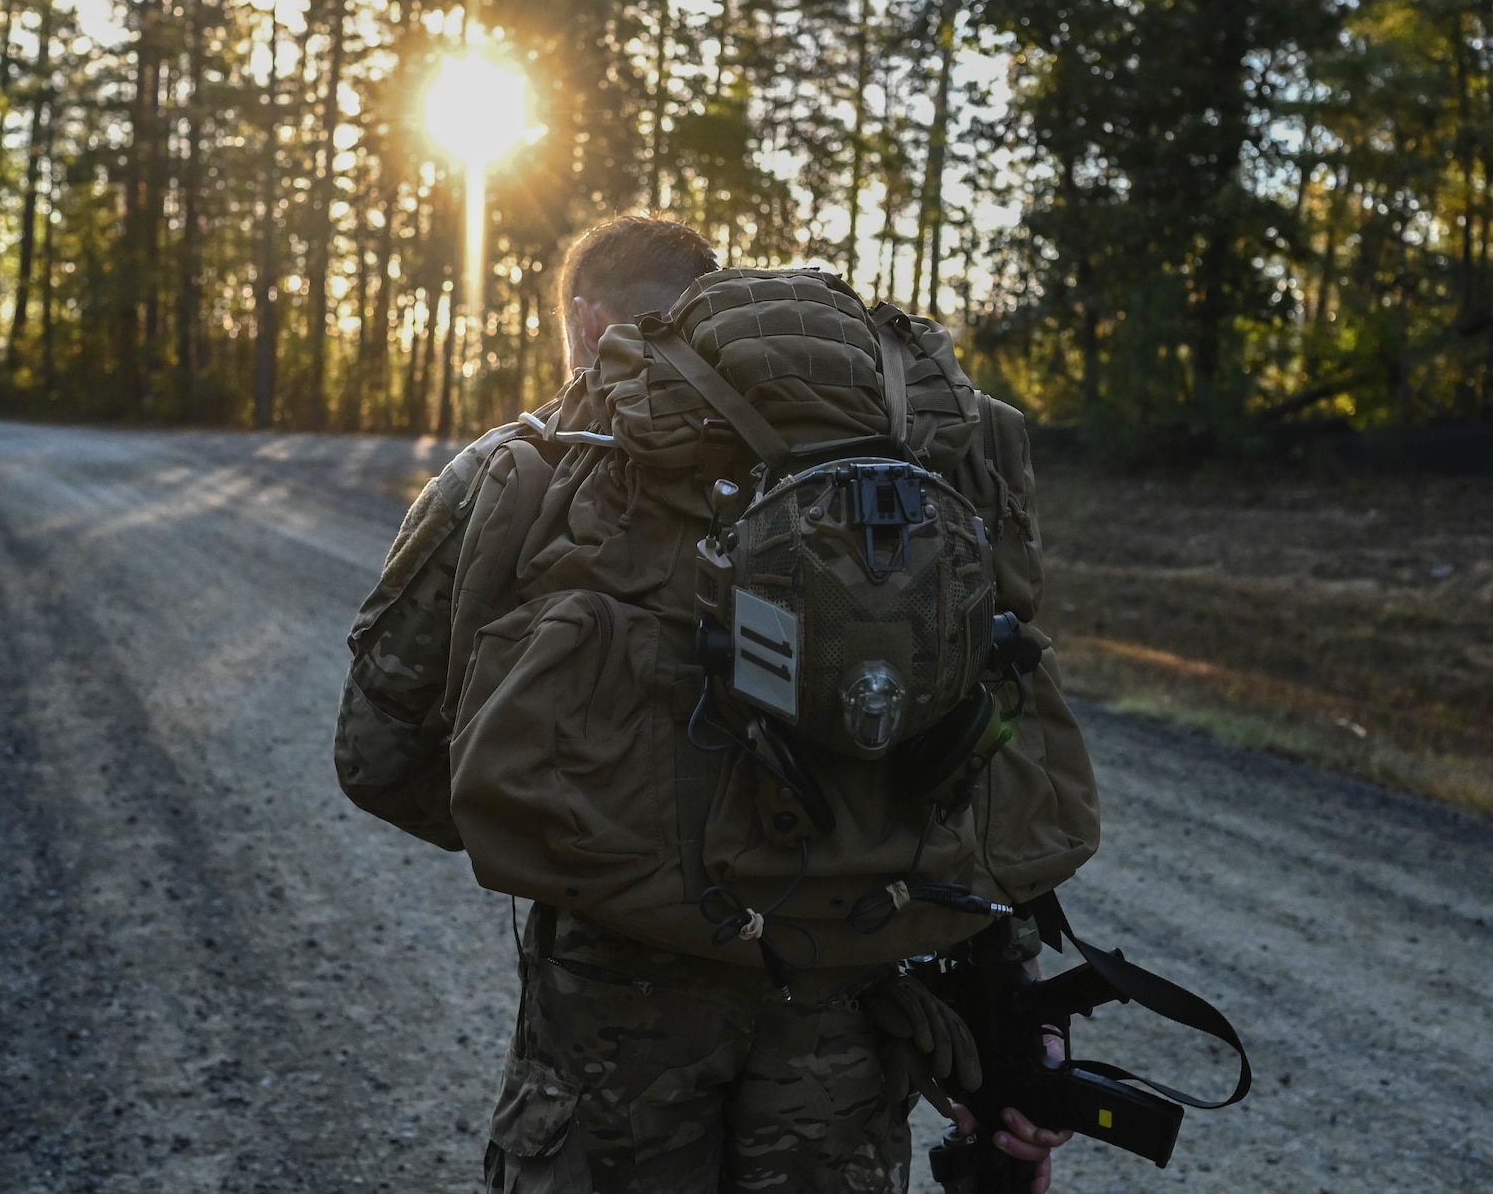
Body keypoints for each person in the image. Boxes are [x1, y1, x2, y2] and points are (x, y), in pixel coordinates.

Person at [333, 215, 1086, 1193]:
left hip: (612, 1028)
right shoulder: (899, 475)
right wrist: (1004, 991)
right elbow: (979, 724)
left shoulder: (519, 468)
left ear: (586, 316)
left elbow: (377, 756)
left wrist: (579, 829)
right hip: (844, 1014)